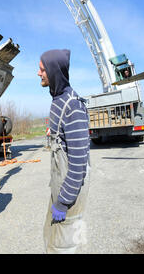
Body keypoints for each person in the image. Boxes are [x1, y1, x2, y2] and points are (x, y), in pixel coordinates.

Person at [37, 49, 91, 254]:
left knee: (66, 247)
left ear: (53, 71)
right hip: (60, 192)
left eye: (42, 69)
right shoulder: (57, 99)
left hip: (69, 196)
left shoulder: (72, 106)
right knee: (52, 241)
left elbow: (78, 164)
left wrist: (63, 201)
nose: (38, 73)